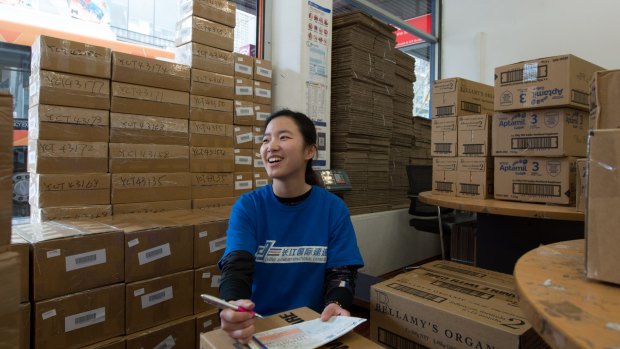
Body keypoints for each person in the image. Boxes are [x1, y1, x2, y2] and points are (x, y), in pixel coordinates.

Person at [217, 109, 364, 344]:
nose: (270, 146)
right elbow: (236, 267)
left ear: (309, 151)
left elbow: (342, 273)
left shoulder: (332, 209)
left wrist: (336, 303)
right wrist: (232, 304)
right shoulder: (248, 206)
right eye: (266, 139)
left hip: (314, 328)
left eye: (283, 137)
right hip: (258, 327)